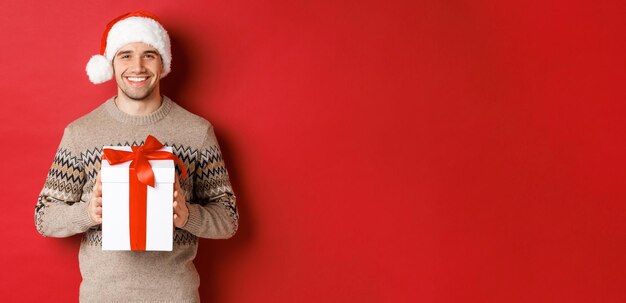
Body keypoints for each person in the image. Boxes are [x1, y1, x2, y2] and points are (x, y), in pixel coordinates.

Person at [34, 10, 238, 302]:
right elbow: (44, 217)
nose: (138, 66)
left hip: (175, 295)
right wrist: (88, 212)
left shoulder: (196, 132)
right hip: (102, 296)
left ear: (163, 63)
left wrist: (188, 216)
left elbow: (228, 218)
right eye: (126, 55)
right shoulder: (81, 133)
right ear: (112, 64)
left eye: (149, 55)